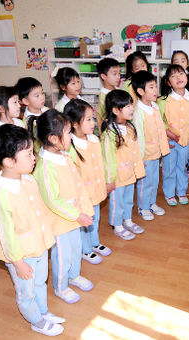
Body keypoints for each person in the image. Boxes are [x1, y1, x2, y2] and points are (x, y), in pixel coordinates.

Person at [0, 125, 65, 336]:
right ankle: (35, 320)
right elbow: (5, 235)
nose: (34, 157)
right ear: (9, 161)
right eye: (28, 153)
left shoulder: (28, 180)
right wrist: (17, 262)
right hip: (21, 255)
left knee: (40, 283)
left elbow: (39, 212)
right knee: (26, 291)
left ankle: (43, 312)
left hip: (39, 246)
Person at [29, 110, 95, 304]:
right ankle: (61, 286)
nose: (71, 136)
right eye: (67, 132)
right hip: (60, 222)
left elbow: (76, 183)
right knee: (62, 255)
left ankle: (74, 276)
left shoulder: (64, 156)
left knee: (76, 249)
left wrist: (83, 209)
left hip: (74, 217)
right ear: (53, 139)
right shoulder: (45, 167)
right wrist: (77, 215)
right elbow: (52, 200)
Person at [63, 99, 113, 265]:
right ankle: (86, 250)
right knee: (85, 223)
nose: (93, 123)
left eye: (93, 118)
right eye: (88, 119)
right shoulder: (70, 147)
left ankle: (94, 242)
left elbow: (102, 163)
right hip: (82, 195)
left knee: (95, 219)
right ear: (74, 124)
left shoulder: (94, 140)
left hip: (96, 190)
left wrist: (106, 181)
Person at [101, 90, 145, 240]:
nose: (131, 108)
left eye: (131, 105)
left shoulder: (130, 128)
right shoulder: (110, 133)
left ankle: (128, 220)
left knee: (128, 200)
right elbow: (107, 159)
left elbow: (135, 152)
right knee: (116, 202)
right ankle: (117, 225)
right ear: (115, 110)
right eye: (126, 106)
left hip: (129, 175)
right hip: (117, 178)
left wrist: (138, 169)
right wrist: (109, 180)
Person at [158, 64, 189, 206]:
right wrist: (169, 134)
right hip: (169, 141)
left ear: (186, 76)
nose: (178, 78)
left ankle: (181, 192)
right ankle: (169, 194)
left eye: (181, 74)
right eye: (173, 76)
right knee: (169, 168)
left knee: (182, 167)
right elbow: (159, 122)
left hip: (185, 142)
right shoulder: (164, 101)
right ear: (169, 83)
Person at [131, 71, 170, 221]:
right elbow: (138, 136)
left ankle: (152, 203)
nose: (156, 90)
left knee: (154, 181)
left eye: (155, 86)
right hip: (145, 155)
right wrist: (140, 158)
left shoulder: (154, 106)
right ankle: (143, 206)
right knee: (144, 183)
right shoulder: (138, 112)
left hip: (156, 152)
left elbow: (160, 129)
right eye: (151, 87)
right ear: (141, 91)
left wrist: (163, 148)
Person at [171, 50, 189, 179]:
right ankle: (182, 164)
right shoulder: (171, 80)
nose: (180, 63)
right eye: (176, 61)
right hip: (178, 116)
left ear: (187, 63)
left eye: (183, 61)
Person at [96, 58, 122, 131]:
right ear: (103, 76)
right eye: (114, 74)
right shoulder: (104, 96)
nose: (118, 77)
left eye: (119, 73)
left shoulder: (117, 89)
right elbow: (101, 118)